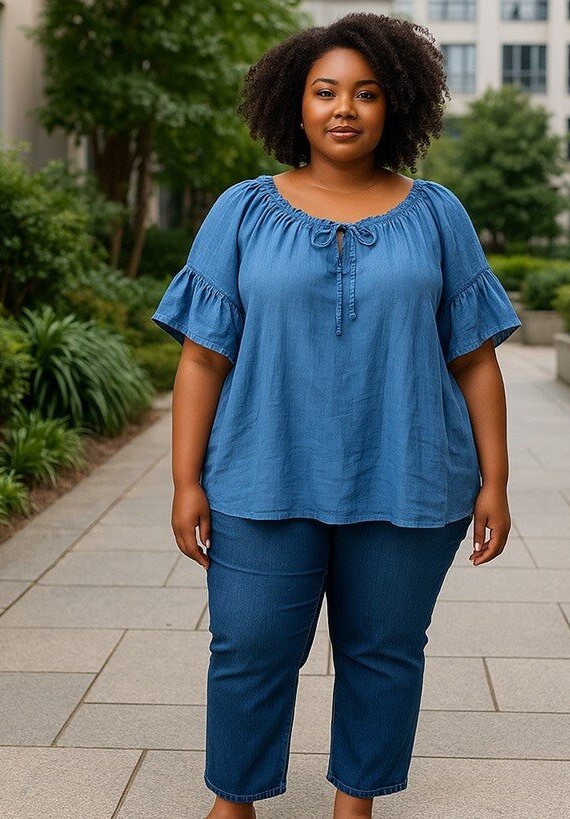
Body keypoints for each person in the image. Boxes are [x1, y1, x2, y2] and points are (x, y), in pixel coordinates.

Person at [151, 12, 522, 819]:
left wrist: (495, 478)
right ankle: (235, 800)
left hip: (410, 474)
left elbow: (473, 356)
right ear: (296, 103)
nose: (343, 108)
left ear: (398, 106)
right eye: (325, 92)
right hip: (260, 471)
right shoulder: (242, 212)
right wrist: (185, 479)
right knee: (248, 647)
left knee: (383, 651)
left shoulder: (436, 214)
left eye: (366, 92)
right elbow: (201, 356)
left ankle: (355, 802)